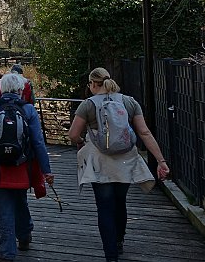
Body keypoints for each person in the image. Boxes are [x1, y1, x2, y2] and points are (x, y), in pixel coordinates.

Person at [68, 67, 170, 262]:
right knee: (120, 202)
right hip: (125, 160)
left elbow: (73, 135)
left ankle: (111, 256)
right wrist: (160, 161)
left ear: (92, 84)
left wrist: (82, 141)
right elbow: (144, 133)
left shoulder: (88, 105)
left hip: (100, 163)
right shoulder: (129, 102)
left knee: (104, 207)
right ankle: (119, 240)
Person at [0, 73, 54, 262]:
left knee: (3, 210)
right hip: (21, 167)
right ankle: (24, 236)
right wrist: (46, 169)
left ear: (1, 89)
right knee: (20, 202)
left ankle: (7, 253)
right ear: (20, 90)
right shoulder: (29, 110)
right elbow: (38, 142)